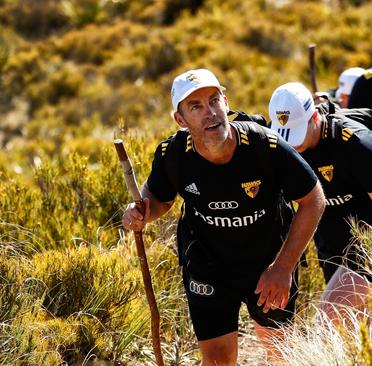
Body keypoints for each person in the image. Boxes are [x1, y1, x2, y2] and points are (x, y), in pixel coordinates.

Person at [122, 68, 326, 365]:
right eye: (196, 107)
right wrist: (141, 213)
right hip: (208, 264)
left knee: (281, 352)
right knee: (217, 360)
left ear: (226, 103)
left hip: (267, 263)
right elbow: (158, 199)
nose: (210, 113)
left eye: (214, 101)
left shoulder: (263, 145)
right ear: (180, 120)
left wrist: (283, 267)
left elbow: (313, 200)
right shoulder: (173, 154)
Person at [268, 82, 372, 321]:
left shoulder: (357, 144)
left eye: (298, 132)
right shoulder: (281, 145)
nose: (293, 145)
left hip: (371, 242)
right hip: (330, 245)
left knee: (326, 321)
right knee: (358, 331)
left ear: (314, 117)